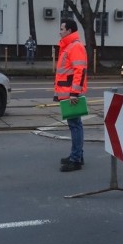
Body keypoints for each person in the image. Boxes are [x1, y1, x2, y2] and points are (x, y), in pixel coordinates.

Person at [54, 19, 88, 172]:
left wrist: (74, 93)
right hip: (67, 93)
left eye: (62, 28)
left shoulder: (74, 47)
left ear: (69, 31)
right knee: (74, 125)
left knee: (75, 126)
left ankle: (75, 159)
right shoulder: (69, 46)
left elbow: (79, 71)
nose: (60, 31)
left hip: (71, 95)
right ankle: (77, 156)